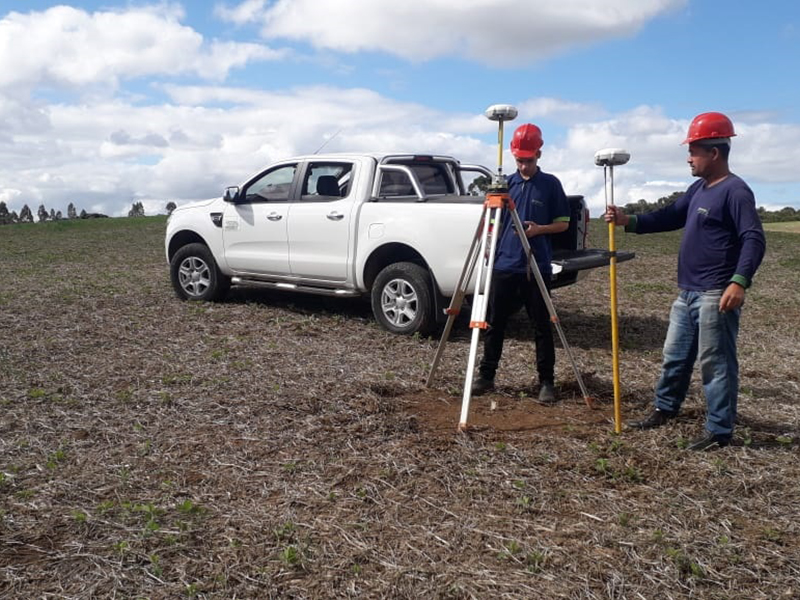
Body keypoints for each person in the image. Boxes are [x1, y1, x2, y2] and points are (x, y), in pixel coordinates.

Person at [605, 111, 766, 451]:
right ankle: (665, 408)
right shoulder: (699, 188)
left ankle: (720, 431)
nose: (688, 157)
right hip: (688, 293)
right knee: (675, 356)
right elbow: (669, 216)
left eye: (694, 150)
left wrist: (739, 282)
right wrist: (627, 220)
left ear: (715, 153)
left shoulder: (735, 192)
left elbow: (753, 238)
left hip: (715, 293)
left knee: (716, 363)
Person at [471, 123, 571, 404]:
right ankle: (486, 376)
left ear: (539, 154)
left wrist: (539, 230)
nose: (523, 166)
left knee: (541, 324)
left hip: (535, 265)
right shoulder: (507, 185)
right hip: (505, 264)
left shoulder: (550, 185)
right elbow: (492, 223)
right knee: (495, 323)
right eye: (519, 161)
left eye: (528, 160)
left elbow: (563, 225)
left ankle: (546, 382)